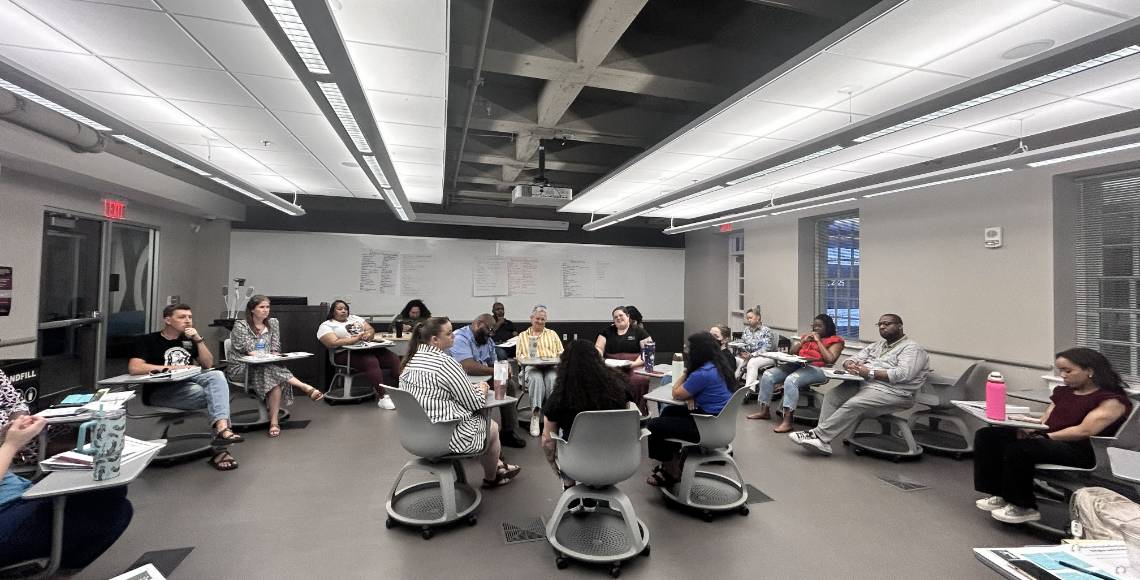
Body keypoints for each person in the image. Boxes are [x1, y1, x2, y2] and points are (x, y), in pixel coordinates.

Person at [974, 348, 1132, 524]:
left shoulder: (1111, 400)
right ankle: (1000, 493)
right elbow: (1047, 420)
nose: (1063, 375)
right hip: (1050, 440)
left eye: (1068, 371)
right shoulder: (1064, 392)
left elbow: (1084, 431)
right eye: (1061, 370)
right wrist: (1029, 426)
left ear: (1089, 371)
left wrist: (1045, 436)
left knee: (1020, 449)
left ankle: (1023, 507)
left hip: (1082, 450)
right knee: (988, 436)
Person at [0, 414, 134, 571]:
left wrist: (4, 439)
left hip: (17, 495)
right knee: (111, 506)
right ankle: (61, 570)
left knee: (112, 497)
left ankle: (62, 568)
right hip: (8, 509)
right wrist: (11, 444)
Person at [399, 318, 522, 488]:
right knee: (491, 427)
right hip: (442, 438)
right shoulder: (446, 363)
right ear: (435, 340)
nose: (454, 336)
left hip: (414, 435)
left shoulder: (410, 362)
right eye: (449, 333)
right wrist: (482, 389)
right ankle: (492, 478)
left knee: (474, 420)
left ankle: (499, 465)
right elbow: (474, 402)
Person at [788, 313, 931, 456]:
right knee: (832, 396)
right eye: (880, 324)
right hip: (867, 385)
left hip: (894, 392)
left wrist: (869, 372)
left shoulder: (912, 349)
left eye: (887, 324)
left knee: (855, 402)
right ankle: (823, 442)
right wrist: (849, 364)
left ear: (900, 326)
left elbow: (903, 374)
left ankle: (819, 435)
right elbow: (851, 359)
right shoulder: (877, 345)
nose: (882, 326)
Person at [129, 303, 243, 471]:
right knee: (218, 396)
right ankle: (221, 450)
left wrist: (198, 339)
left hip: (190, 383)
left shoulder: (188, 340)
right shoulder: (147, 340)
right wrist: (175, 368)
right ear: (168, 320)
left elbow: (208, 364)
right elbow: (135, 368)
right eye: (182, 317)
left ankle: (222, 428)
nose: (188, 321)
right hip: (161, 391)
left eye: (190, 317)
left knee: (217, 376)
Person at [645, 332, 736, 487]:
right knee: (668, 412)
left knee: (654, 425)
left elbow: (676, 392)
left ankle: (672, 472)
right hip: (717, 420)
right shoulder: (718, 366)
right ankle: (672, 462)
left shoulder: (702, 373)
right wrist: (691, 395)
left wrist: (687, 371)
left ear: (698, 352)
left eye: (689, 347)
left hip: (706, 427)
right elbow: (696, 391)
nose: (686, 349)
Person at [226, 295, 324, 438]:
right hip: (242, 368)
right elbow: (246, 349)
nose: (266, 310)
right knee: (267, 369)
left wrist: (275, 355)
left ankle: (274, 422)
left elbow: (275, 347)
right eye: (261, 307)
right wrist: (263, 356)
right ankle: (304, 386)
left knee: (273, 379)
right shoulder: (241, 325)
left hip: (266, 366)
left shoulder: (272, 323)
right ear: (252, 310)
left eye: (267, 307)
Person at [542, 340, 631, 489]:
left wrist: (552, 463)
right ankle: (600, 485)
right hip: (617, 460)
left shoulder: (559, 397)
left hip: (576, 463)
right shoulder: (620, 387)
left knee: (561, 435)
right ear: (598, 360)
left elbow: (547, 441)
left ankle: (569, 485)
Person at [749, 314, 845, 432]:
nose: (816, 328)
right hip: (798, 365)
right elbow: (791, 352)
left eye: (819, 326)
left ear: (828, 327)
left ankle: (787, 421)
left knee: (791, 380)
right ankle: (764, 411)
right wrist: (802, 342)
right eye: (814, 326)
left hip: (819, 369)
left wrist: (818, 341)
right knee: (768, 375)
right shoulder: (807, 337)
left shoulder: (836, 341)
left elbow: (830, 359)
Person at [449, 314, 526, 448]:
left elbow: (493, 362)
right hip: (463, 383)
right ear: (478, 324)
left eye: (493, 331)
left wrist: (503, 369)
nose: (491, 335)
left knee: (508, 385)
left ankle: (508, 432)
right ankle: (478, 437)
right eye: (489, 330)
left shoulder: (487, 340)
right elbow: (468, 366)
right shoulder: (460, 338)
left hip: (483, 379)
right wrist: (496, 370)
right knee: (481, 393)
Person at [318, 300, 401, 410]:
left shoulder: (355, 318)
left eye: (345, 309)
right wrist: (355, 339)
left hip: (366, 348)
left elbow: (370, 329)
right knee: (370, 361)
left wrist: (368, 334)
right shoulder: (327, 325)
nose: (344, 311)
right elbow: (332, 343)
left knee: (393, 358)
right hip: (343, 354)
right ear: (333, 311)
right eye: (340, 309)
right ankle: (383, 397)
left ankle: (401, 389)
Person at [516, 305, 565, 437]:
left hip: (551, 367)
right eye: (537, 318)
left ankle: (552, 416)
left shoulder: (552, 334)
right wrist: (531, 361)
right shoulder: (523, 336)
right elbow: (519, 357)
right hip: (531, 368)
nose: (540, 321)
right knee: (536, 378)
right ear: (531, 319)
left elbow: (562, 353)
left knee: (552, 379)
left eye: (543, 319)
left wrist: (555, 360)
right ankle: (535, 415)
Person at [595, 306, 654, 413]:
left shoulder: (639, 331)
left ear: (628, 316)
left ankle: (641, 410)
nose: (618, 318)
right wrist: (600, 359)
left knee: (639, 380)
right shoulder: (606, 332)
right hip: (611, 367)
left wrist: (634, 364)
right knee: (605, 380)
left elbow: (648, 351)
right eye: (615, 317)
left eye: (621, 315)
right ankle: (612, 410)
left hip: (635, 365)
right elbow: (598, 347)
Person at [736, 307, 775, 391]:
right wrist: (742, 352)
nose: (748, 320)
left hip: (765, 356)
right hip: (749, 356)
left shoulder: (766, 331)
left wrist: (751, 355)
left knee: (752, 362)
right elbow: (742, 343)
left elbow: (766, 348)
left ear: (758, 317)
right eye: (747, 318)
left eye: (750, 317)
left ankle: (749, 390)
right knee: (734, 359)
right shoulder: (746, 330)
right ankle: (732, 386)